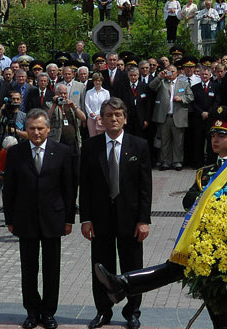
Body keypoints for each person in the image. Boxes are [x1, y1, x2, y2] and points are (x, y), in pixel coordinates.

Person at [94, 106, 227, 329]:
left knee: (181, 272)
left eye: (222, 135)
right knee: (211, 303)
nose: (215, 140)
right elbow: (189, 199)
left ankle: (124, 283)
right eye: (213, 135)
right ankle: (123, 283)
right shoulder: (206, 172)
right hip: (206, 244)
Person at [80, 97, 151, 329]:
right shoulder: (90, 147)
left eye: (118, 115)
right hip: (100, 220)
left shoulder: (139, 146)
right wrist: (86, 218)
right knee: (101, 267)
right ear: (101, 119)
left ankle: (132, 311)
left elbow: (145, 187)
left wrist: (143, 220)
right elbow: (86, 185)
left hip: (130, 220)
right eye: (109, 115)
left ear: (125, 119)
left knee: (133, 267)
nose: (113, 119)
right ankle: (103, 311)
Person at [3, 109, 75, 329]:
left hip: (53, 219)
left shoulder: (62, 151)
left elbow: (69, 188)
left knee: (52, 269)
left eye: (40, 128)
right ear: (26, 129)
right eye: (32, 128)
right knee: (29, 268)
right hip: (25, 219)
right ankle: (32, 311)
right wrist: (9, 219)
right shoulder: (16, 152)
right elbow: (9, 189)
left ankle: (49, 312)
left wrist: (69, 219)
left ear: (48, 129)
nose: (36, 132)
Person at [0, 91, 27, 225]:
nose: (14, 101)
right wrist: (2, 112)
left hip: (18, 153)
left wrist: (16, 132)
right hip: (1, 152)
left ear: (21, 101)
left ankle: (16, 214)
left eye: (17, 99)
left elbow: (28, 134)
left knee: (18, 186)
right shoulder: (1, 114)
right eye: (12, 99)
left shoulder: (24, 116)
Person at [150, 65, 193, 170]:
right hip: (164, 117)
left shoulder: (184, 84)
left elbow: (190, 97)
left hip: (178, 116)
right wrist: (159, 77)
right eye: (168, 71)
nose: (170, 73)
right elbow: (151, 86)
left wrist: (181, 98)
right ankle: (165, 162)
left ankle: (177, 162)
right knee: (165, 141)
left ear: (177, 73)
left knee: (178, 142)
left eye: (172, 71)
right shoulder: (162, 82)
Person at [85, 73, 111, 137]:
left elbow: (107, 105)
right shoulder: (89, 92)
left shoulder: (106, 92)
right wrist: (92, 114)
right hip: (91, 118)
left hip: (102, 117)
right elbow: (86, 104)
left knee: (102, 137)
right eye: (96, 80)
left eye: (99, 81)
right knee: (92, 137)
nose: (97, 82)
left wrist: (98, 114)